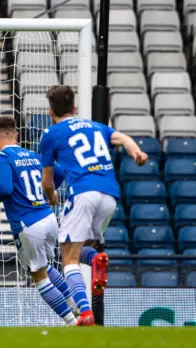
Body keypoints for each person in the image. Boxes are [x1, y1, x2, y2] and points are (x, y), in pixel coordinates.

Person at [39, 85, 148, 326]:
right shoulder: (96, 126)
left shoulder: (50, 134)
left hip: (83, 193)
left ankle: (86, 313)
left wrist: (51, 195)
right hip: (109, 196)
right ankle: (96, 259)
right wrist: (137, 152)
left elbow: (47, 181)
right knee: (82, 247)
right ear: (74, 108)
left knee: (67, 257)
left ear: (50, 111)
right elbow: (123, 138)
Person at [0, 116, 78, 326]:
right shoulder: (33, 155)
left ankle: (73, 323)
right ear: (16, 134)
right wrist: (48, 194)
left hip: (28, 224)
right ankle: (76, 307)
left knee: (39, 275)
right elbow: (58, 174)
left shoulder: (1, 157)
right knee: (46, 266)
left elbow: (5, 188)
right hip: (48, 218)